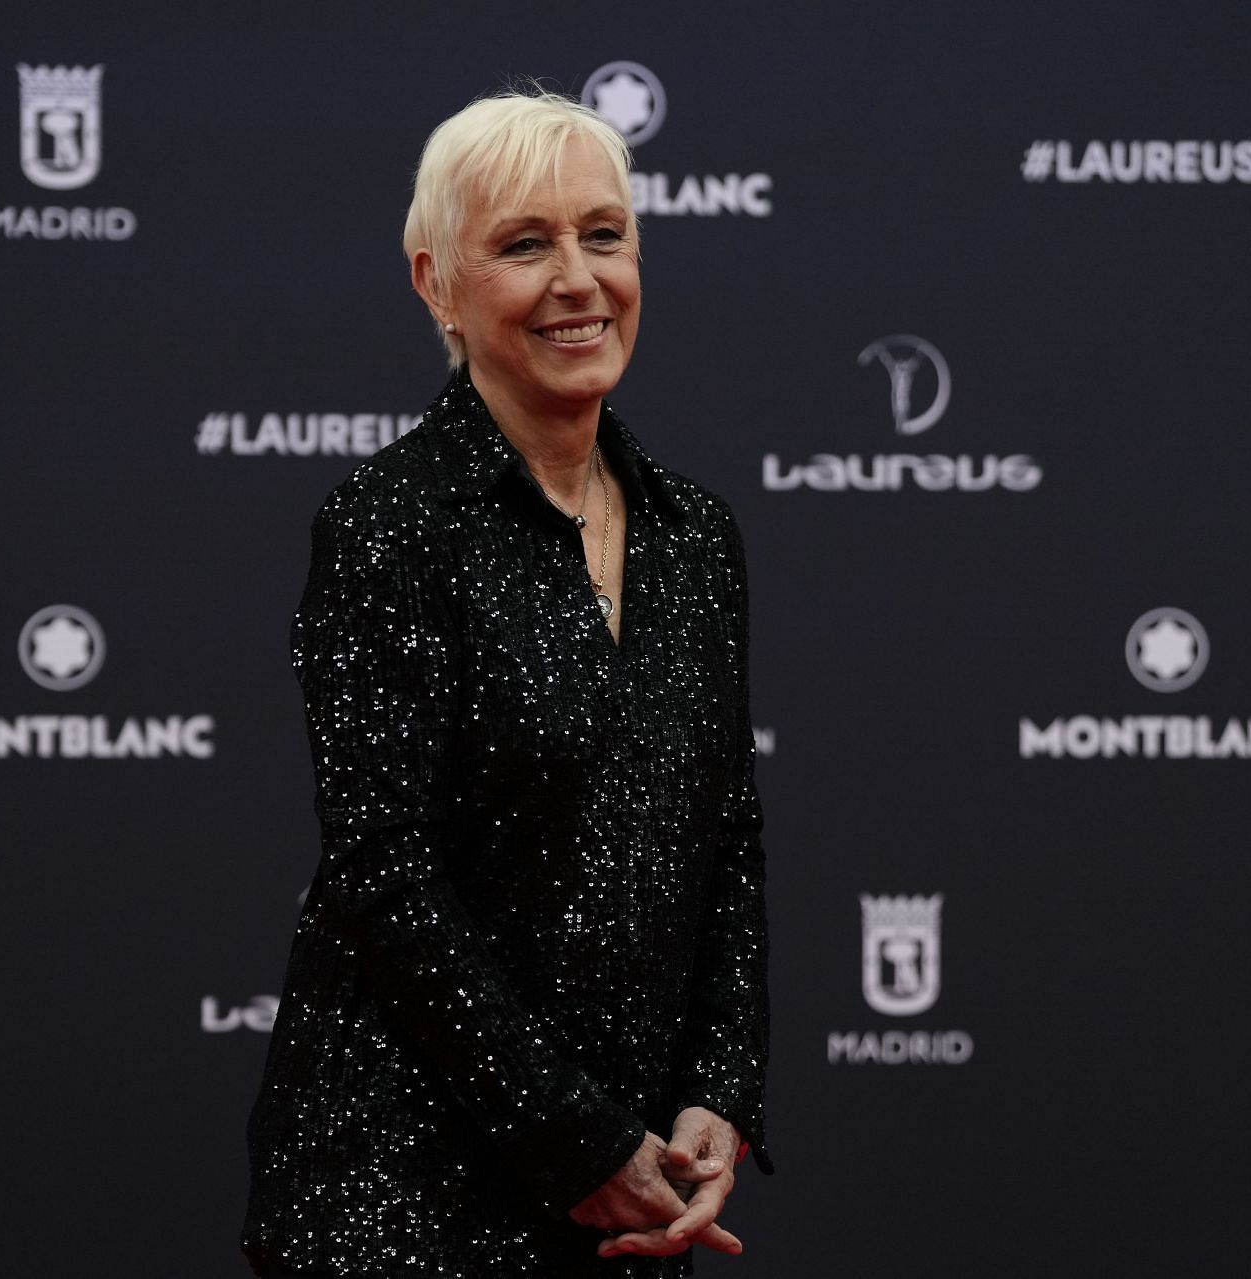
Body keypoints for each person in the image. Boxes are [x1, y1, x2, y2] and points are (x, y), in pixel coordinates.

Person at [241, 87, 772, 1277]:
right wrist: (576, 1139)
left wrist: (717, 1095)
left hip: (633, 1198)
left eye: (605, 233)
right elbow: (385, 872)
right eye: (526, 244)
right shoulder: (390, 527)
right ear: (436, 283)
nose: (579, 279)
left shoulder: (697, 536)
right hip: (407, 1196)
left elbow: (726, 833)